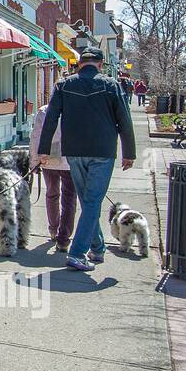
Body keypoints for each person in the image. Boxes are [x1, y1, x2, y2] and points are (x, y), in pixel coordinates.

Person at [37, 47, 137, 272]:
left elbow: (51, 118)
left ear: (80, 63)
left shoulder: (64, 85)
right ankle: (77, 253)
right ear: (101, 64)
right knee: (92, 202)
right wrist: (129, 153)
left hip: (74, 150)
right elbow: (125, 119)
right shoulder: (111, 85)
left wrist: (43, 150)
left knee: (88, 201)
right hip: (103, 151)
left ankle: (97, 247)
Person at [29, 98, 75, 253]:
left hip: (48, 159)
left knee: (52, 194)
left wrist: (34, 162)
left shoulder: (44, 111)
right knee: (69, 198)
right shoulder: (76, 109)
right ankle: (64, 238)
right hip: (70, 160)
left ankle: (53, 229)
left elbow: (35, 138)